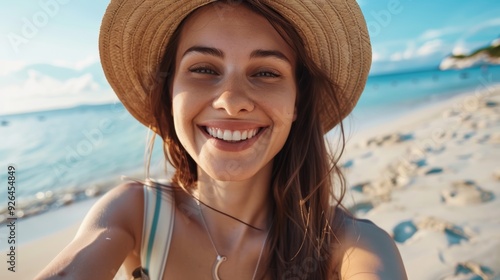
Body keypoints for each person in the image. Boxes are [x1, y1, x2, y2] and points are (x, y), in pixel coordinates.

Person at [37, 0, 407, 279]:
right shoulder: (134, 212)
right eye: (203, 69)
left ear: (298, 102)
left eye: (265, 72)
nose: (230, 101)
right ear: (169, 94)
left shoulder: (351, 244)